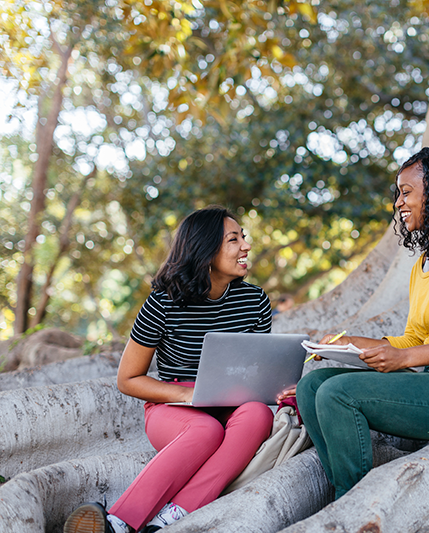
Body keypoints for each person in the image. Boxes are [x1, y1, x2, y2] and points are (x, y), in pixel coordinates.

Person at [296, 145, 429, 500]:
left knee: (339, 393)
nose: (398, 202)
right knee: (313, 387)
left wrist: (406, 360)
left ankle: (354, 503)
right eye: (398, 193)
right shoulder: (422, 265)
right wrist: (354, 345)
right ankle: (343, 491)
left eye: (406, 192)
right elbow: (413, 339)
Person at [64, 206, 274, 533]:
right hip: (173, 407)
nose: (246, 246)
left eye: (243, 238)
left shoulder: (255, 301)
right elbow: (128, 379)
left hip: (233, 405)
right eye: (234, 239)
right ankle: (118, 523)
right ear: (205, 249)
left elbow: (259, 368)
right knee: (206, 431)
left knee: (260, 413)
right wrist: (188, 395)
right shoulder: (163, 302)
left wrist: (279, 387)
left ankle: (169, 519)